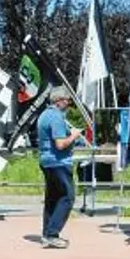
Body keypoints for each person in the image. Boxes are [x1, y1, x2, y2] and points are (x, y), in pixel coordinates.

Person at [36, 90, 84, 247]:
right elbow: (60, 143)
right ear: (58, 101)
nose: (69, 103)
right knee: (67, 197)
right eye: (67, 100)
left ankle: (46, 233)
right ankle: (52, 233)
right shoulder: (56, 117)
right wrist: (74, 136)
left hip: (46, 161)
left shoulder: (43, 115)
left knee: (52, 198)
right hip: (59, 162)